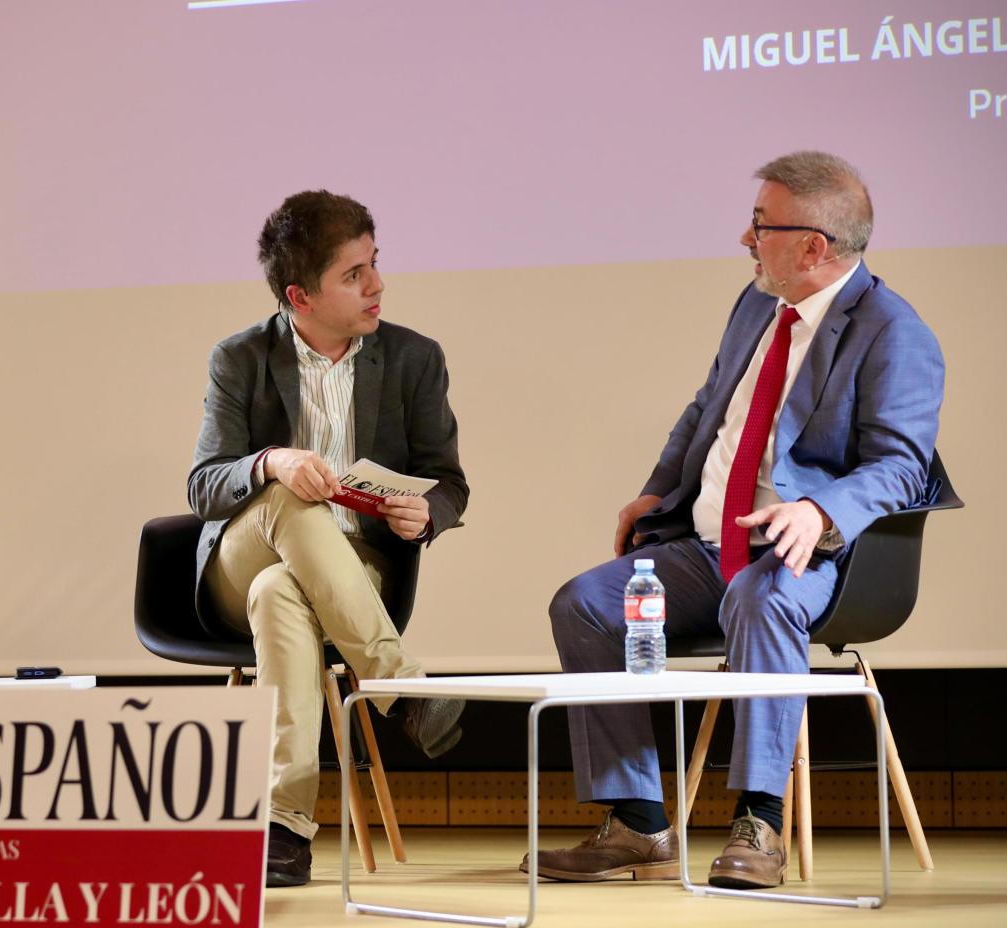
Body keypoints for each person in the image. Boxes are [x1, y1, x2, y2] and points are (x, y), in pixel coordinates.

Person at [530, 151, 944, 890]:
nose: (745, 240)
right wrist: (657, 492)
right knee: (586, 604)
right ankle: (637, 824)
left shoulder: (893, 330)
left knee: (761, 596)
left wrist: (819, 510)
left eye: (760, 225)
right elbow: (707, 408)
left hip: (815, 558)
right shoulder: (756, 305)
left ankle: (759, 821)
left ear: (814, 246)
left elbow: (903, 466)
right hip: (707, 542)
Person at [188, 190, 471, 888]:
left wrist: (423, 512)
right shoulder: (241, 358)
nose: (376, 286)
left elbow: (446, 482)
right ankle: (400, 689)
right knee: (288, 494)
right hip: (241, 553)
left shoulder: (413, 359)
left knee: (280, 593)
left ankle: (284, 831)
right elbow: (202, 486)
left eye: (375, 264)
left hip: (353, 571)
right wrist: (269, 461)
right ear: (300, 295)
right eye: (353, 274)